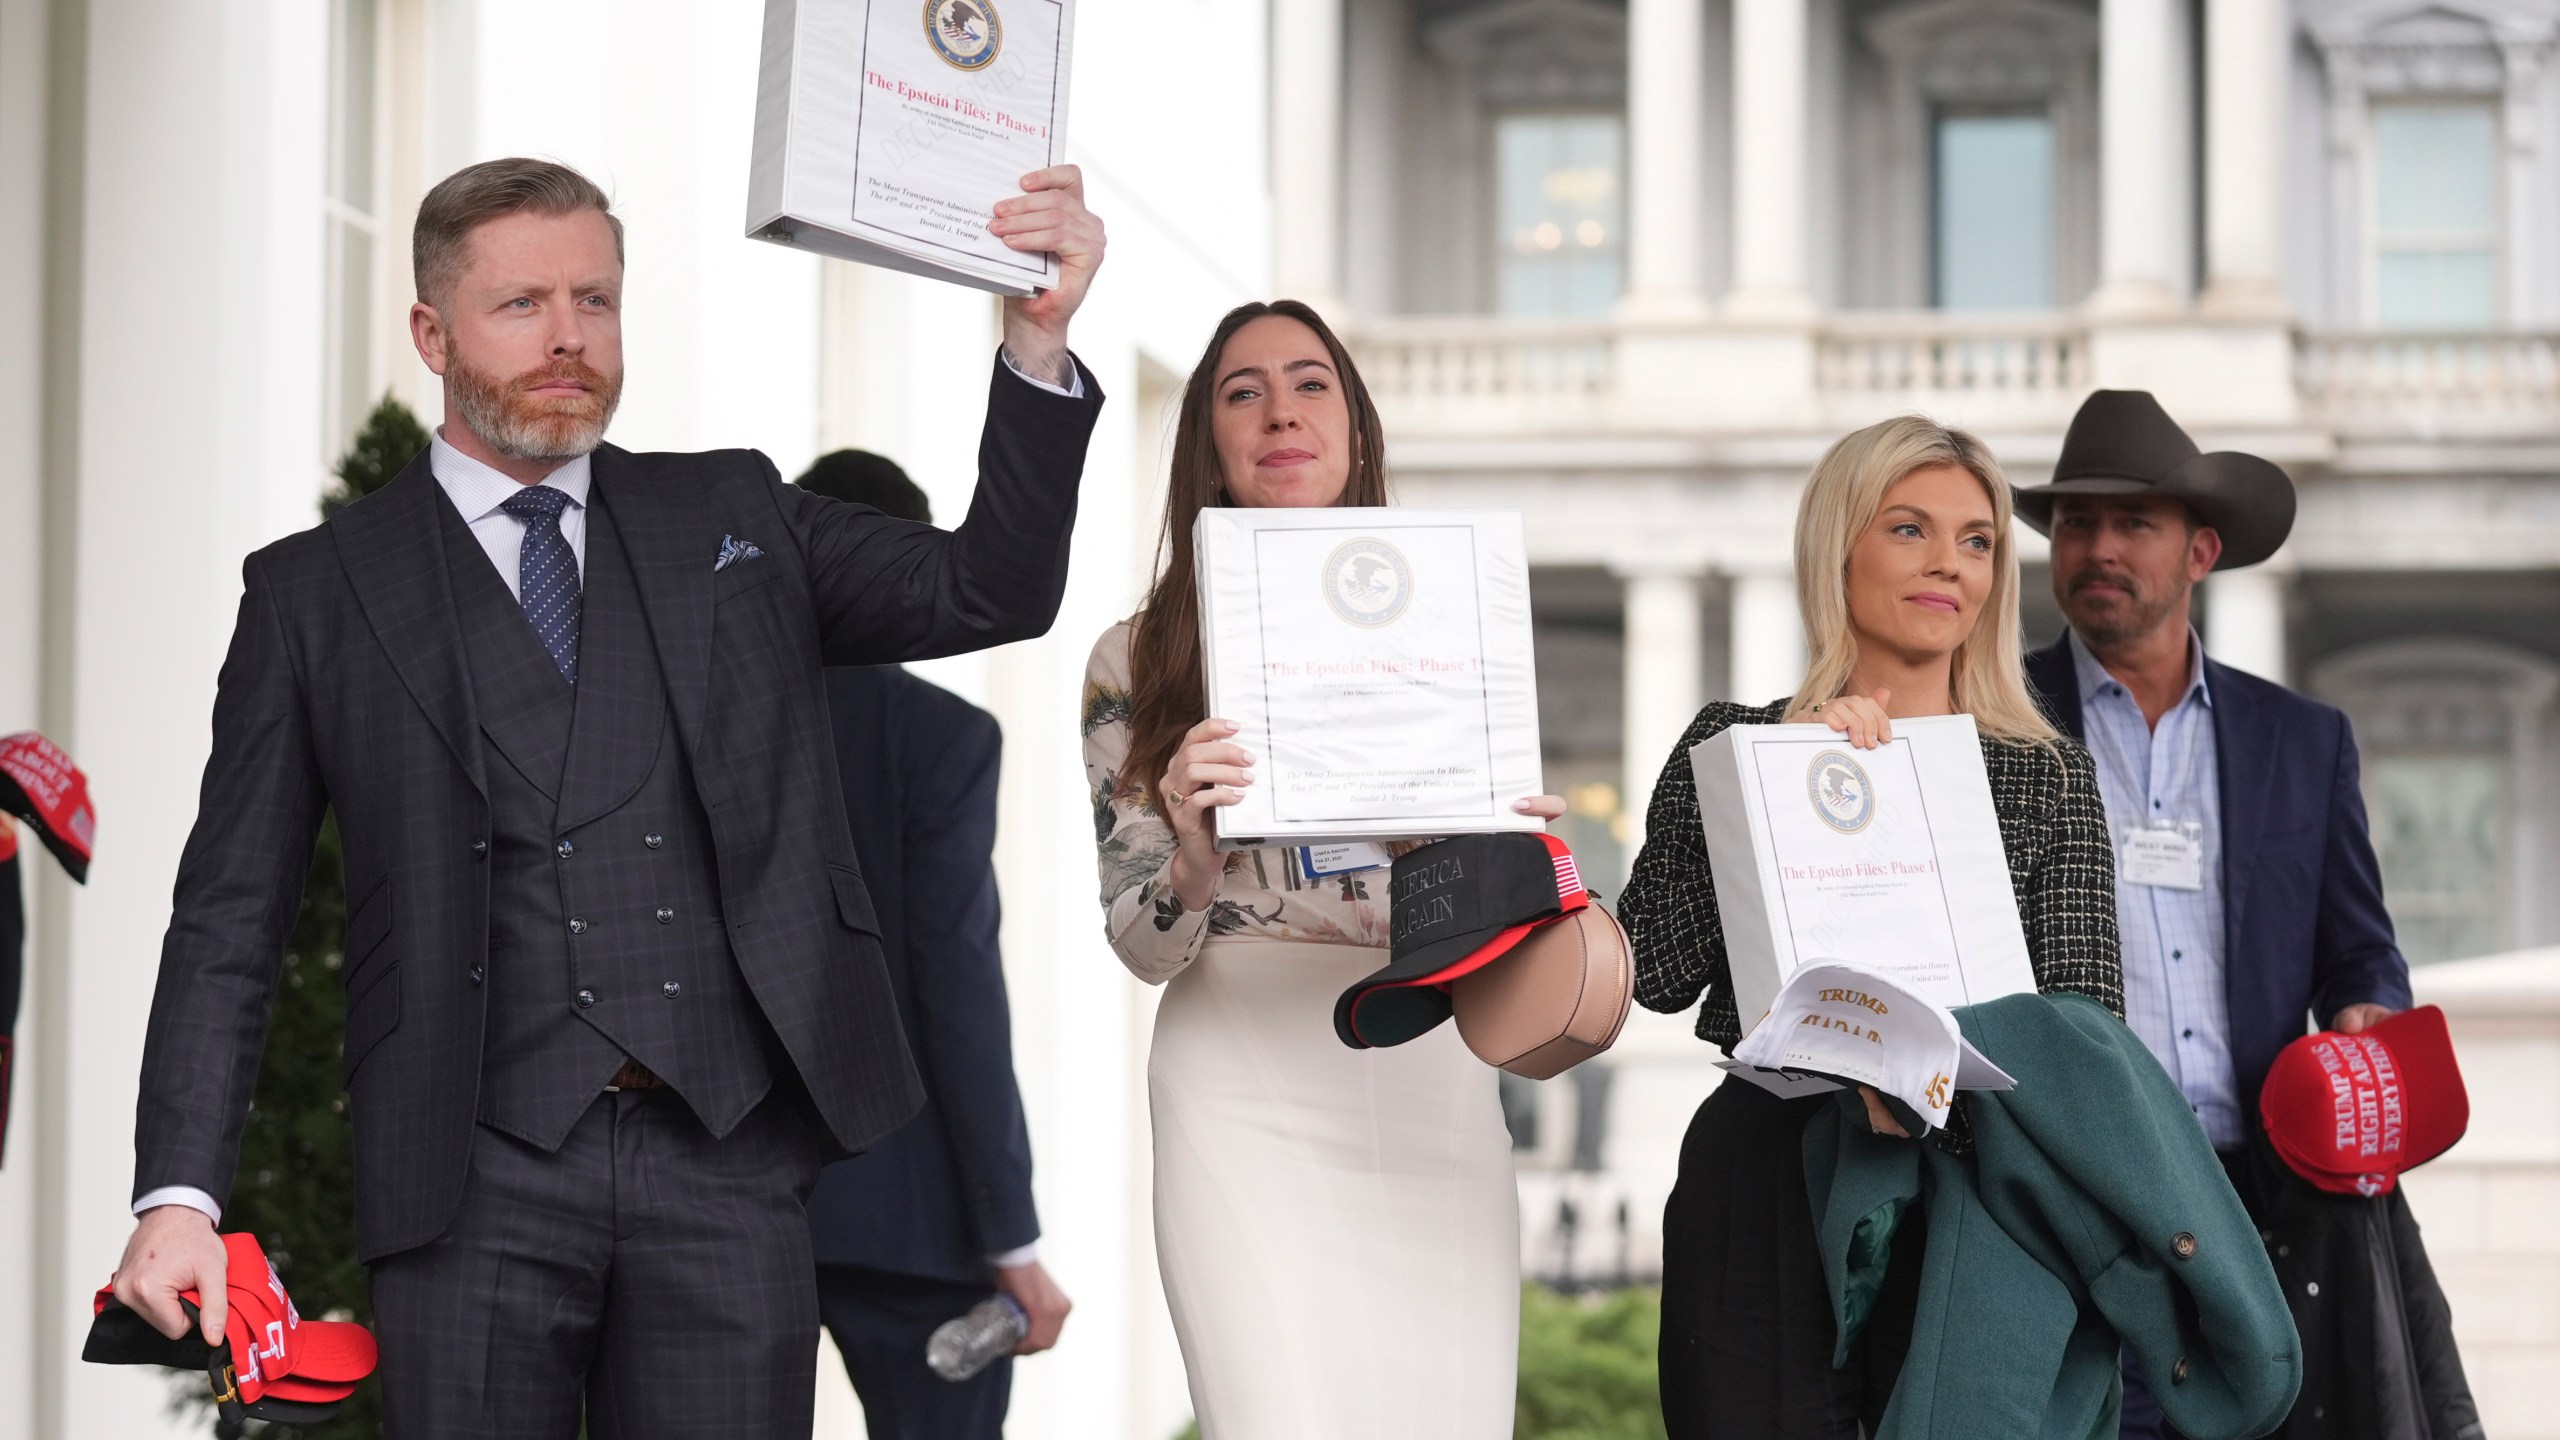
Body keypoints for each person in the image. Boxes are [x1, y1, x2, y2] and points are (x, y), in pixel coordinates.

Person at [113, 156, 1105, 1438]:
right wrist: (177, 1195)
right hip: (467, 1178)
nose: (569, 336)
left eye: (597, 298)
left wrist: (1036, 337)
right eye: (522, 303)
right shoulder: (315, 592)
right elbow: (229, 922)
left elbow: (992, 589)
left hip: (728, 1161)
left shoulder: (732, 513)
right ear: (432, 332)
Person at [1080, 300, 1561, 1439]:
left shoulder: (1460, 623)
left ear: (1356, 428)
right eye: (1242, 392)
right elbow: (1140, 948)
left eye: (1311, 384)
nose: (1281, 412)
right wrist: (1193, 857)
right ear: (1209, 439)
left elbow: (1508, 913)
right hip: (1241, 1079)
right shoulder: (1138, 658)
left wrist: (1523, 846)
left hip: (1428, 1062)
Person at [1618, 415, 2125, 1439]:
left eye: (1975, 540)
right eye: (1908, 529)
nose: (1948, 564)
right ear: (1838, 545)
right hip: (1763, 1174)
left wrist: (1934, 1088)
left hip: (1970, 1190)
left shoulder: (2048, 774)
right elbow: (1654, 970)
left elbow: (2087, 1037)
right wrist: (1774, 789)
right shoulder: (1735, 741)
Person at [2011, 389, 2444, 1439]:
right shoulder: (1996, 726)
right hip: (2067, 1207)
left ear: (2200, 550)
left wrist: (2363, 1014)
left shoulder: (2304, 740)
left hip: (2261, 1206)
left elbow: (2359, 952)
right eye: (2075, 523)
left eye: (2133, 524)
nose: (2098, 547)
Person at [792, 449, 1068, 1440]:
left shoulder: (692, 720)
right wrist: (1009, 1231)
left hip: (721, 1204)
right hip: (909, 1210)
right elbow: (955, 984)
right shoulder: (941, 739)